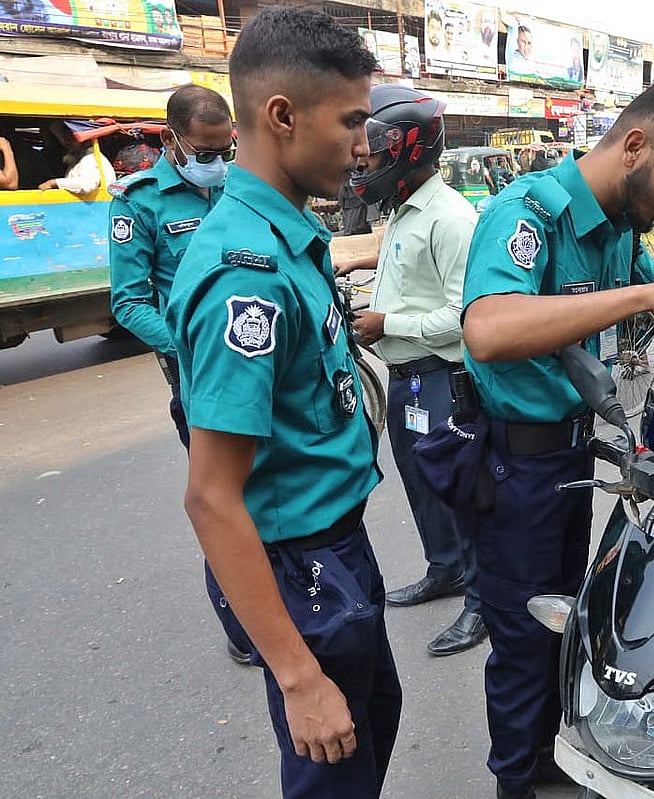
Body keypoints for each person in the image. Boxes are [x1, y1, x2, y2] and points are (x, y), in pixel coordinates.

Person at [458, 76, 654, 799]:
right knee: (523, 643)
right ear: (635, 145)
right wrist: (648, 295)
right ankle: (516, 783)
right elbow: (487, 330)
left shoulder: (617, 224)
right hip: (517, 464)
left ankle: (552, 763)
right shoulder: (526, 214)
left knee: (568, 625)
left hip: (575, 457)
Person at [163, 8, 403, 796]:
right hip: (302, 564)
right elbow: (211, 496)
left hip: (336, 543)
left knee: (371, 720)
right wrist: (298, 674)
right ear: (282, 115)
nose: (365, 146)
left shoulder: (287, 232)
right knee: (332, 766)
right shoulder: (248, 276)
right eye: (353, 122)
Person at [338, 85, 486, 657]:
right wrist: (360, 260)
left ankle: (479, 603)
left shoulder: (451, 218)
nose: (362, 162)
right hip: (408, 380)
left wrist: (388, 324)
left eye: (372, 152)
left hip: (441, 378)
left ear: (406, 150)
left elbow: (465, 315)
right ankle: (444, 569)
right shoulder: (405, 210)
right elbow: (406, 263)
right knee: (422, 487)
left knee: (458, 495)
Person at [108, 85, 251, 665]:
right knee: (223, 501)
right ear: (170, 140)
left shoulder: (237, 187)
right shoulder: (140, 203)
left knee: (269, 491)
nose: (216, 162)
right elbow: (129, 302)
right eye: (205, 150)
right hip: (197, 377)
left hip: (256, 362)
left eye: (226, 149)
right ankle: (241, 625)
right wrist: (192, 342)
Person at [38, 122, 116, 194]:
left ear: (86, 141)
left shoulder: (90, 159)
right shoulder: (79, 159)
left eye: (72, 137)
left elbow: (86, 185)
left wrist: (54, 182)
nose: (67, 141)